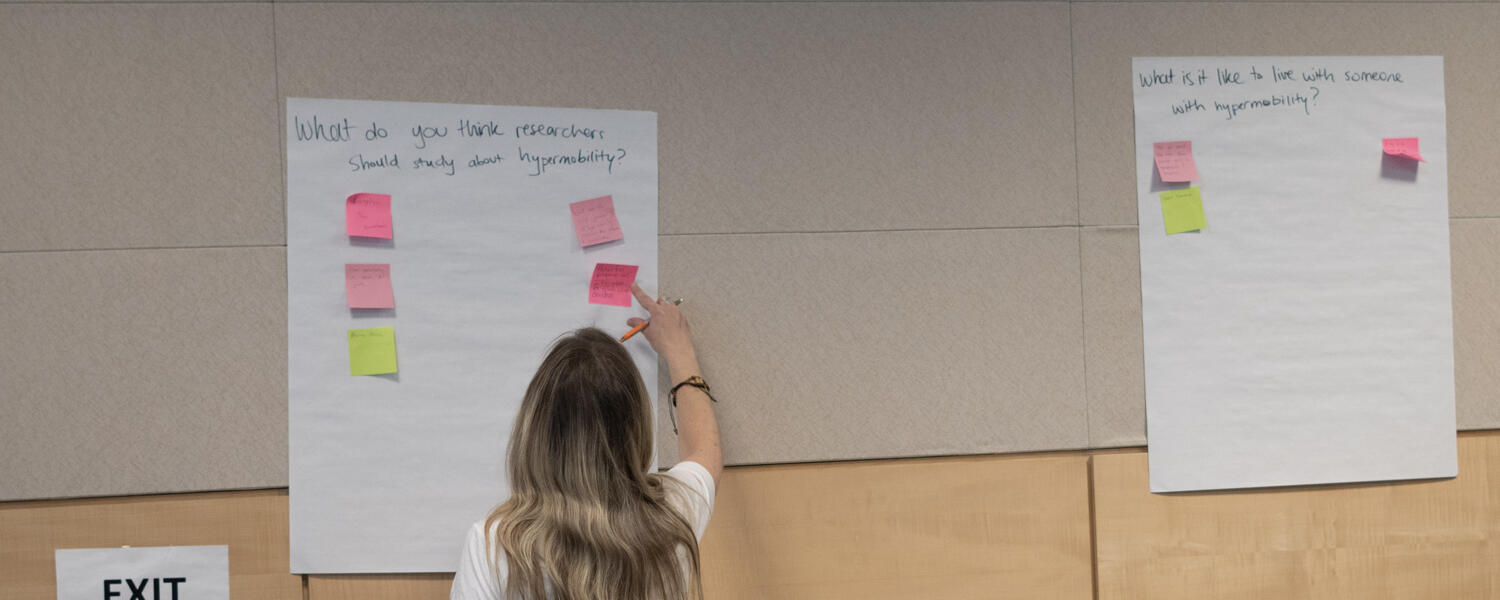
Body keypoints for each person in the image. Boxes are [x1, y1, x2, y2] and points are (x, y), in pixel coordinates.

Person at [451, 284, 723, 600]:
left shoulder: (494, 546)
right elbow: (705, 452)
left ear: (534, 428)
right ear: (635, 428)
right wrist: (680, 351)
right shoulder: (673, 513)